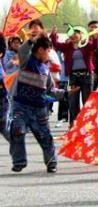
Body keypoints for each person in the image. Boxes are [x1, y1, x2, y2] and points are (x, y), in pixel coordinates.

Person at [9, 35, 71, 173]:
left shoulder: (45, 70)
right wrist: (31, 40)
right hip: (21, 106)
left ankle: (51, 162)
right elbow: (22, 51)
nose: (50, 54)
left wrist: (66, 92)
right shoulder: (26, 61)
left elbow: (50, 90)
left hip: (39, 110)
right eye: (49, 50)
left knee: (45, 136)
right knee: (17, 130)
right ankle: (19, 162)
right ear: (41, 50)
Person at [50, 26, 98, 126]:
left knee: (87, 101)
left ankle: (87, 124)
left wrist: (95, 37)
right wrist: (54, 34)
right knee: (73, 102)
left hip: (87, 76)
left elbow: (94, 46)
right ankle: (74, 125)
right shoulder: (67, 46)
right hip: (73, 77)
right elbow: (56, 44)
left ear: (80, 35)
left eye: (76, 33)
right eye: (71, 34)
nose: (74, 36)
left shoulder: (86, 44)